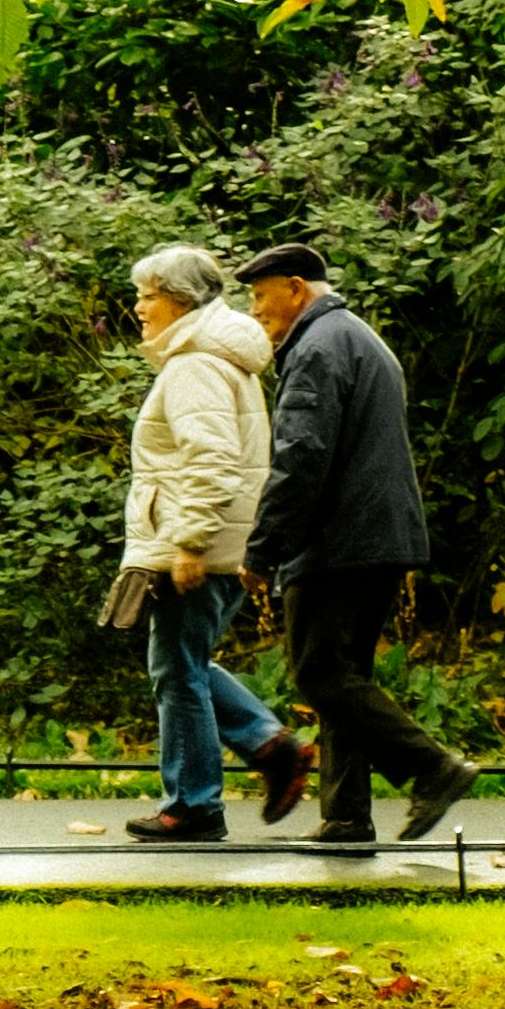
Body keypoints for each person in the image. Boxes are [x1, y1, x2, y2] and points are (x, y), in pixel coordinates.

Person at [233, 243, 471, 849]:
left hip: (340, 539)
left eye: (261, 297)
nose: (257, 311)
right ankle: (345, 816)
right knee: (344, 673)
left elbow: (301, 458)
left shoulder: (315, 348)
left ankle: (433, 767)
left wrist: (263, 549)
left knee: (318, 673)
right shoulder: (357, 336)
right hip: (379, 534)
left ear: (294, 288)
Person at [104, 246, 314, 844]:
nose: (138, 306)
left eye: (148, 295)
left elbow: (213, 460)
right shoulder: (217, 358)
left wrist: (189, 542)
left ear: (181, 300)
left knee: (176, 670)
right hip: (216, 540)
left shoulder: (195, 363)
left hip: (197, 542)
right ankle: (270, 746)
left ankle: (194, 804)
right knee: (182, 662)